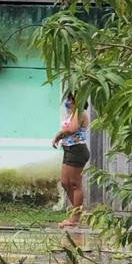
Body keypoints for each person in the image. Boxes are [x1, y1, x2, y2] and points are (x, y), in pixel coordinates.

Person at [51, 91, 89, 228]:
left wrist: (59, 134)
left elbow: (72, 129)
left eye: (70, 99)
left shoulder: (80, 112)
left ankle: (75, 218)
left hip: (77, 150)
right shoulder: (72, 114)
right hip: (68, 149)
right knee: (65, 182)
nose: (68, 101)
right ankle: (77, 212)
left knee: (74, 184)